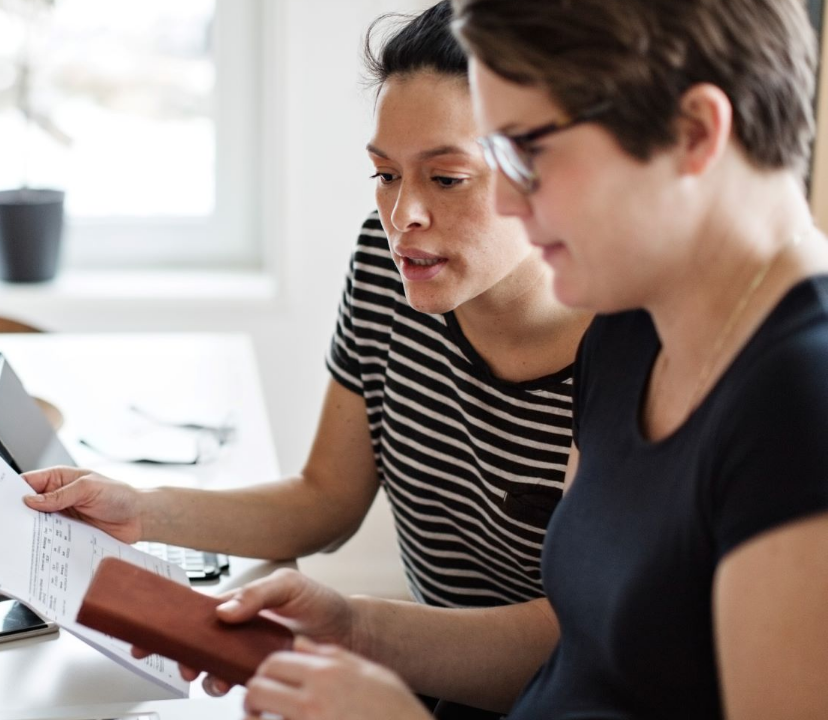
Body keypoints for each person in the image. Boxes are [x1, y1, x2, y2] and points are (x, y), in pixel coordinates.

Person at [180, 0, 828, 718]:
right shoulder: (626, 333)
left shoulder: (803, 397)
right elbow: (578, 655)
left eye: (531, 151)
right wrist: (354, 628)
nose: (511, 200)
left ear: (694, 132)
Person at [23, 1, 591, 616]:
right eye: (386, 174)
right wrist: (140, 507)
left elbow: (574, 641)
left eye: (447, 178)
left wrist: (351, 630)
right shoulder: (387, 260)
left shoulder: (624, 339)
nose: (403, 218)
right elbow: (325, 500)